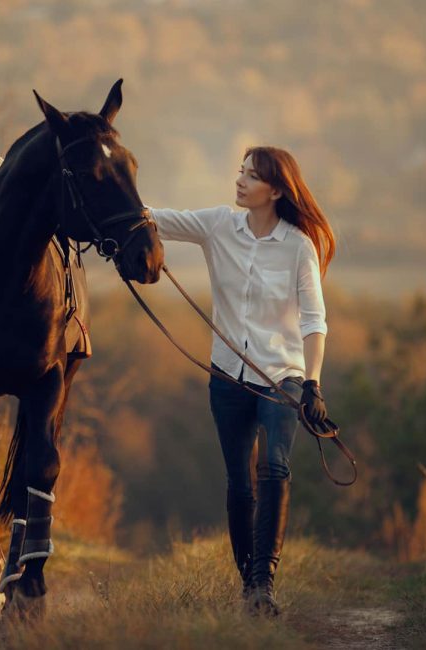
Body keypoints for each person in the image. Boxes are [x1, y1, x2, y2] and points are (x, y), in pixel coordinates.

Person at [148, 146, 335, 616]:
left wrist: (312, 384)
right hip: (228, 377)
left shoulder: (299, 245)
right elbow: (154, 218)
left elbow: (314, 320)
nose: (240, 181)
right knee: (239, 483)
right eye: (240, 172)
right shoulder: (216, 225)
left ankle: (263, 581)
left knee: (273, 465)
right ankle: (248, 583)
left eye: (251, 177)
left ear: (275, 190)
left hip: (283, 376)